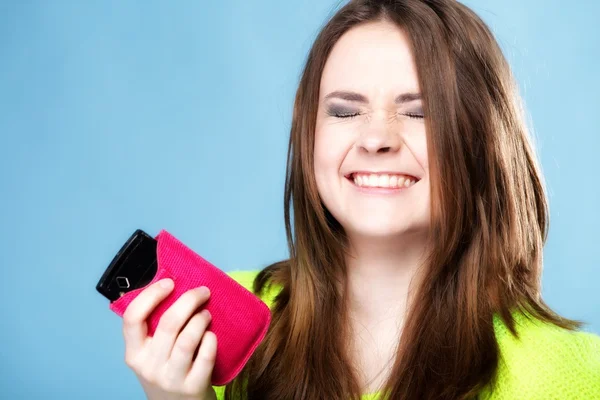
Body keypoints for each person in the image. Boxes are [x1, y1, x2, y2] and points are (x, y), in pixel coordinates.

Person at [117, 1, 600, 399]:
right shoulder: (219, 323)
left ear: (483, 140)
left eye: (420, 112)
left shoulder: (568, 373)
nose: (375, 138)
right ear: (309, 136)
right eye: (345, 111)